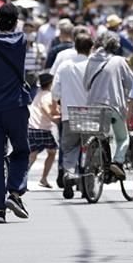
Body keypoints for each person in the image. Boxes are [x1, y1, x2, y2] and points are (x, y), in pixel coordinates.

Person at [0, 2, 32, 223]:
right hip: (16, 106)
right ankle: (15, 191)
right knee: (21, 151)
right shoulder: (22, 42)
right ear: (16, 20)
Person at [84, 32, 133, 181]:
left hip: (93, 105)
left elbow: (86, 83)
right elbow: (132, 83)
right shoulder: (119, 61)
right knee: (123, 138)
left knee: (100, 134)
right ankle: (117, 162)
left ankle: (98, 159)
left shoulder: (91, 59)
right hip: (112, 105)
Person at [53, 32, 94, 200]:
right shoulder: (94, 65)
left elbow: (55, 92)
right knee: (90, 149)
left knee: (69, 148)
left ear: (75, 47)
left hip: (69, 114)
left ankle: (69, 174)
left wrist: (59, 101)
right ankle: (88, 186)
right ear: (91, 48)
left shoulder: (65, 66)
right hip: (91, 114)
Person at [27, 72, 60, 187]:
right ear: (50, 83)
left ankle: (23, 179)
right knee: (52, 152)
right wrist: (53, 118)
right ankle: (43, 178)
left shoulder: (38, 93)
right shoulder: (47, 95)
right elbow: (45, 107)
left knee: (33, 154)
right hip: (42, 129)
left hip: (32, 127)